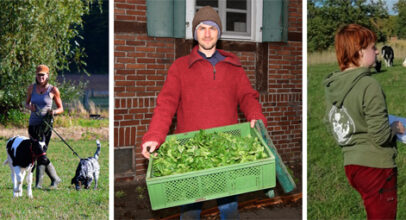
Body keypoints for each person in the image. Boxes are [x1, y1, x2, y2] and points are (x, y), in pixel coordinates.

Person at [141, 6, 267, 220]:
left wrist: (255, 115)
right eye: (202, 28)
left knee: (229, 209)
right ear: (195, 33)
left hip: (227, 151)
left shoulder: (233, 66)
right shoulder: (180, 67)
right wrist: (154, 136)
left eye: (212, 28)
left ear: (219, 32)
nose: (207, 33)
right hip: (191, 152)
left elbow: (247, 96)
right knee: (190, 210)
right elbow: (166, 104)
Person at [324, 24, 405, 219]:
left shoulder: (333, 86)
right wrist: (395, 127)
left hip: (352, 167)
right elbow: (380, 136)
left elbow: (334, 126)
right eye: (372, 47)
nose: (377, 51)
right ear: (359, 52)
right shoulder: (369, 85)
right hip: (376, 168)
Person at [26, 64, 64, 189]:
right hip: (33, 125)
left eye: (43, 75)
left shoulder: (53, 90)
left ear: (47, 76)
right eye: (39, 75)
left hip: (46, 126)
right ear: (36, 76)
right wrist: (29, 106)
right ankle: (54, 179)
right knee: (35, 153)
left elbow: (61, 108)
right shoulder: (31, 88)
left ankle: (39, 184)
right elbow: (26, 103)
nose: (41, 77)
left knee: (41, 153)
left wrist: (53, 112)